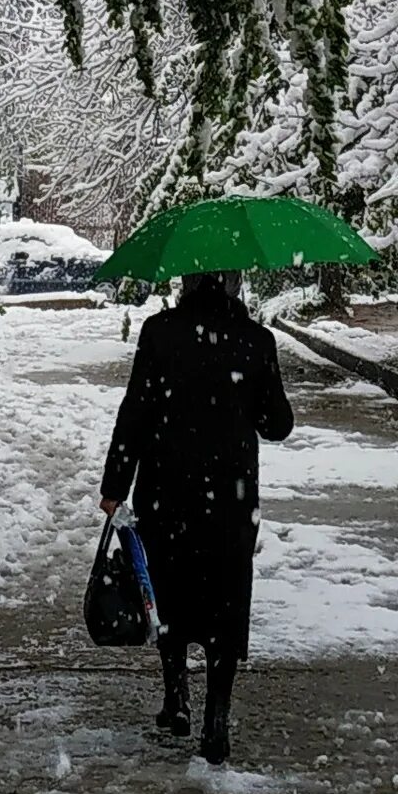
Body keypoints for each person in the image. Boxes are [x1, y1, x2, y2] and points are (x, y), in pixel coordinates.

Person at [98, 270, 294, 763]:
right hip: (230, 499)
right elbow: (278, 424)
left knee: (171, 594)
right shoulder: (256, 340)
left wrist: (114, 485)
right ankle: (217, 716)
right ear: (234, 284)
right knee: (225, 605)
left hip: (167, 493)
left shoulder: (160, 333)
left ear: (187, 282)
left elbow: (135, 414)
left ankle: (176, 699)